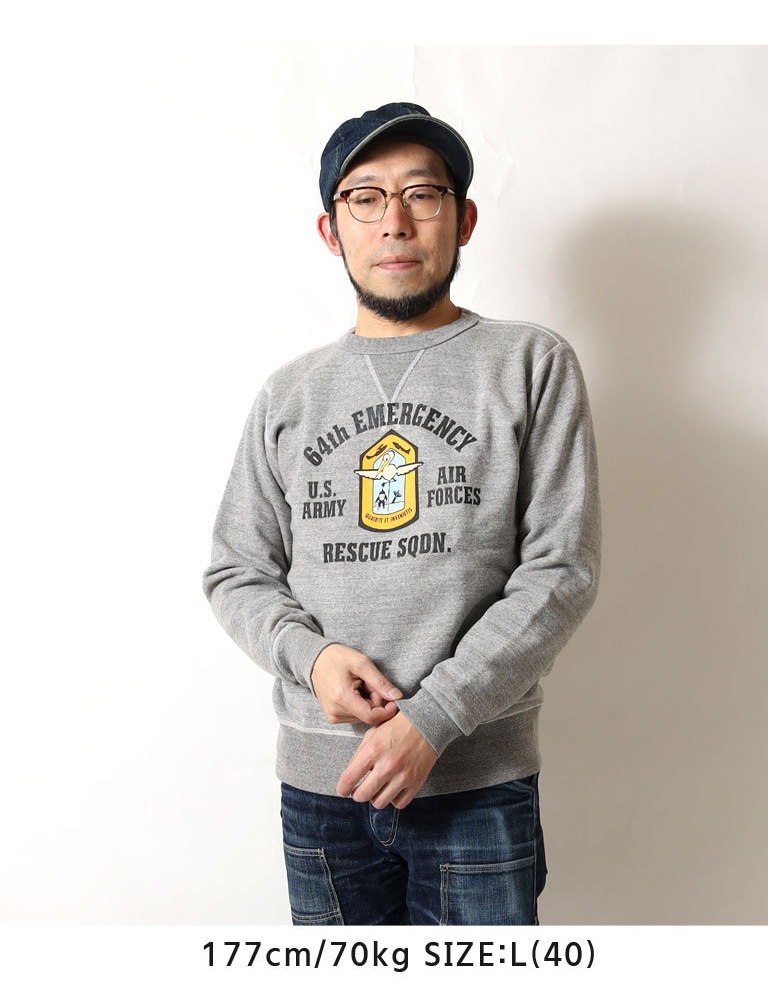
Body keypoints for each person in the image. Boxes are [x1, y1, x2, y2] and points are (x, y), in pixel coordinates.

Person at [202, 102, 601, 926]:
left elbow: (560, 572)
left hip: (475, 789)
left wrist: (434, 718)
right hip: (324, 794)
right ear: (331, 230)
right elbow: (237, 571)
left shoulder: (531, 364)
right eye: (366, 198)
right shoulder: (289, 395)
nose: (395, 221)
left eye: (423, 194)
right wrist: (312, 660)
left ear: (465, 219)